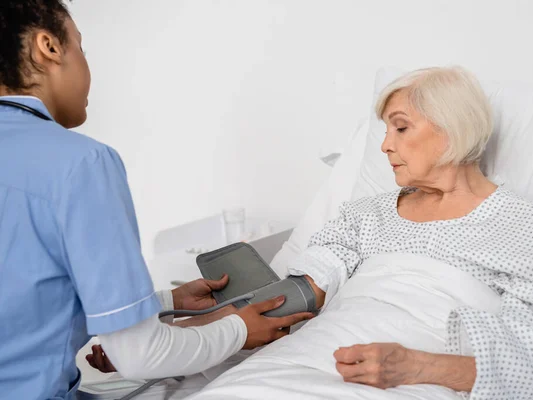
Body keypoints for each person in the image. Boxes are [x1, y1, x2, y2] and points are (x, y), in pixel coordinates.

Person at [198, 67, 533, 399]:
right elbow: (306, 285)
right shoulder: (366, 214)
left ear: (452, 128)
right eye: (385, 131)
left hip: (416, 381)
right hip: (302, 359)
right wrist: (205, 326)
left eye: (401, 127)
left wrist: (416, 367)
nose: (385, 145)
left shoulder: (524, 225)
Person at [0, 2, 312, 399]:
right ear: (49, 48)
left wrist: (164, 301)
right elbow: (140, 357)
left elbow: (29, 304)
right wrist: (240, 329)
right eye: (80, 47)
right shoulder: (80, 162)